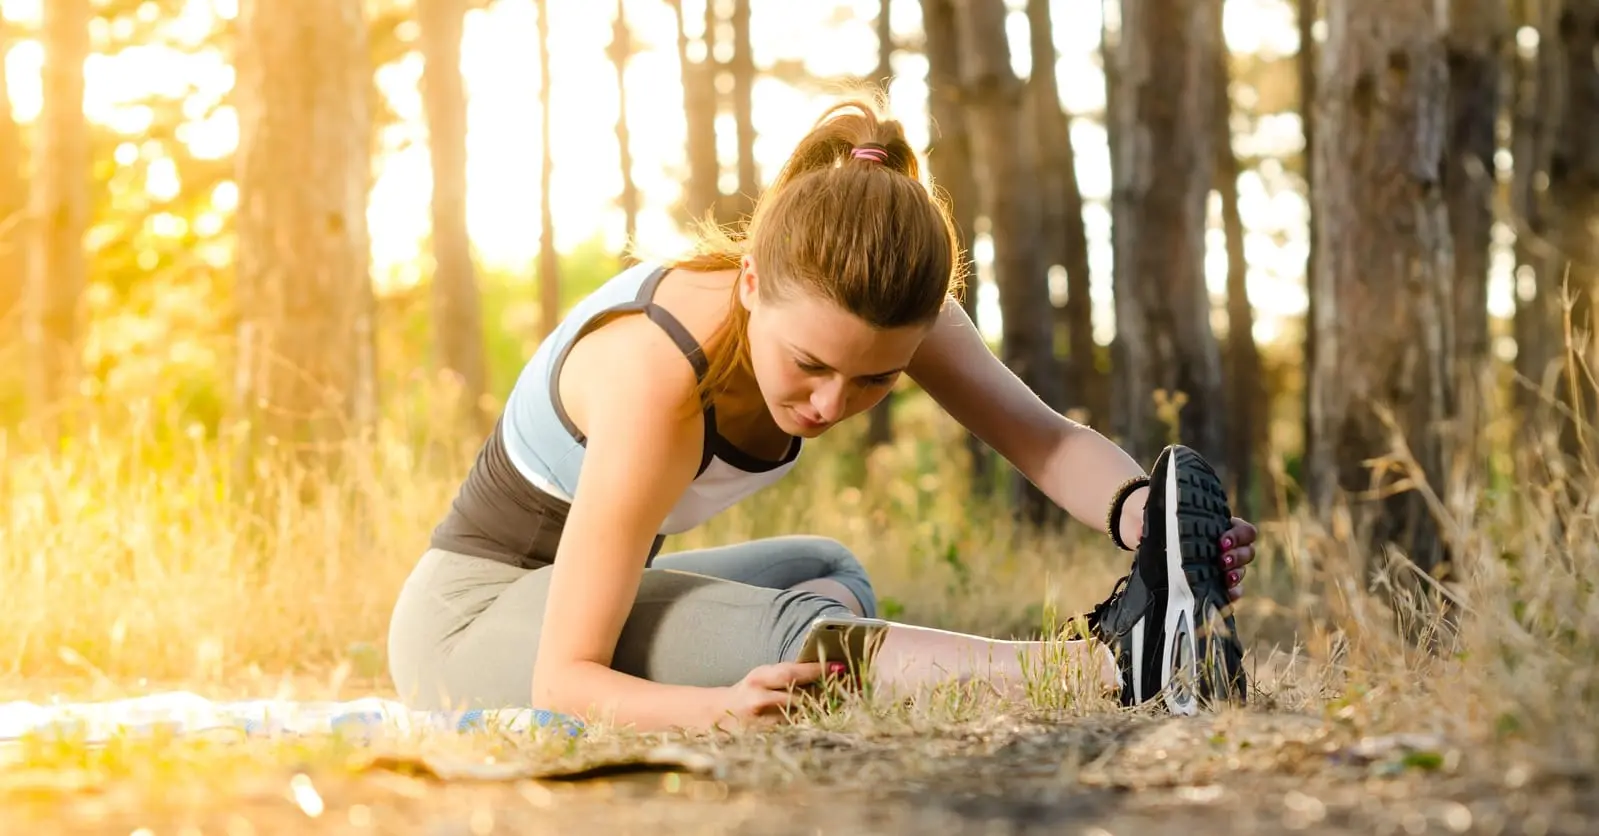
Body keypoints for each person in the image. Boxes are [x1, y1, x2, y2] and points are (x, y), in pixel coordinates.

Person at [386, 99, 1259, 731]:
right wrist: (711, 708)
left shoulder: (879, 308)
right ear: (752, 283)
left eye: (875, 381)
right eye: (809, 365)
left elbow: (1046, 441)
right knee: (798, 638)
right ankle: (1106, 669)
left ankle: (1144, 637)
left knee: (828, 571)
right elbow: (562, 678)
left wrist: (1148, 522)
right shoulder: (657, 375)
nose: (832, 404)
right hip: (468, 629)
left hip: (579, 599)